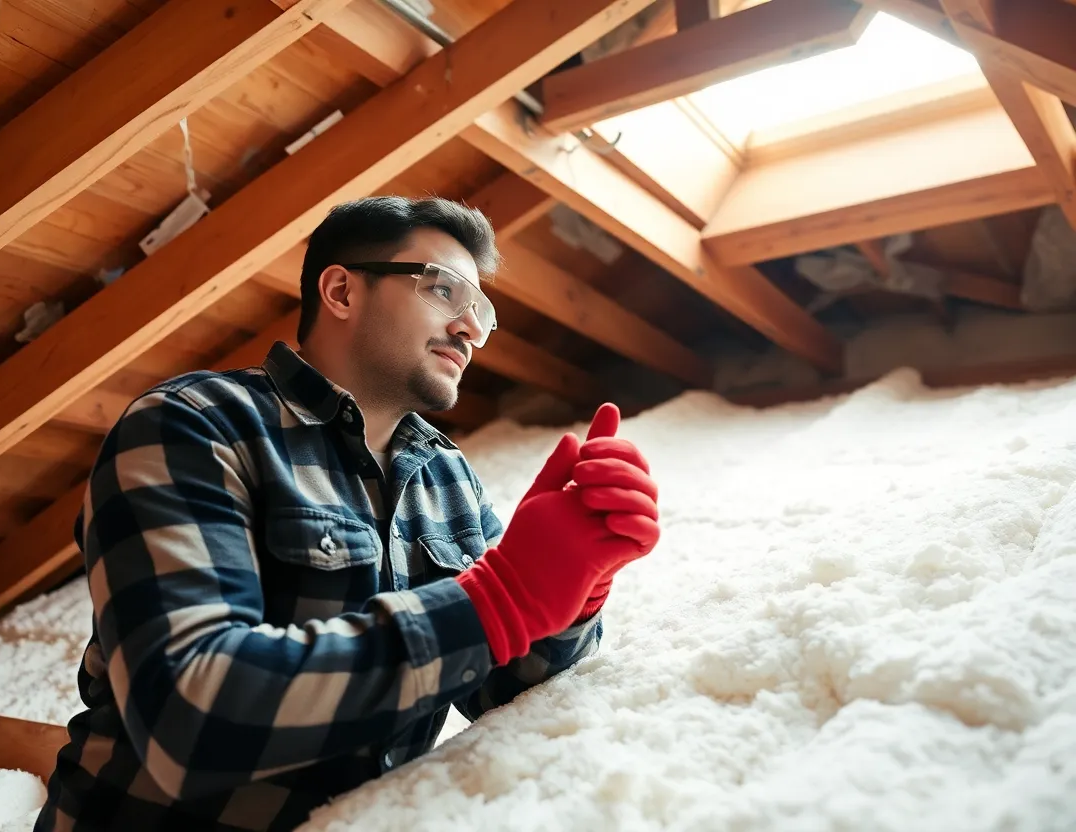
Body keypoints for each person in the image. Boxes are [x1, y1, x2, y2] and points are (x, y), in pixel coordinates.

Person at [34, 196, 660, 831]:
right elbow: (188, 716)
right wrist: (502, 597)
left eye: (481, 311)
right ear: (340, 291)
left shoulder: (449, 477)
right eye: (445, 291)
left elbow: (507, 689)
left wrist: (576, 589)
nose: (470, 328)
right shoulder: (193, 424)